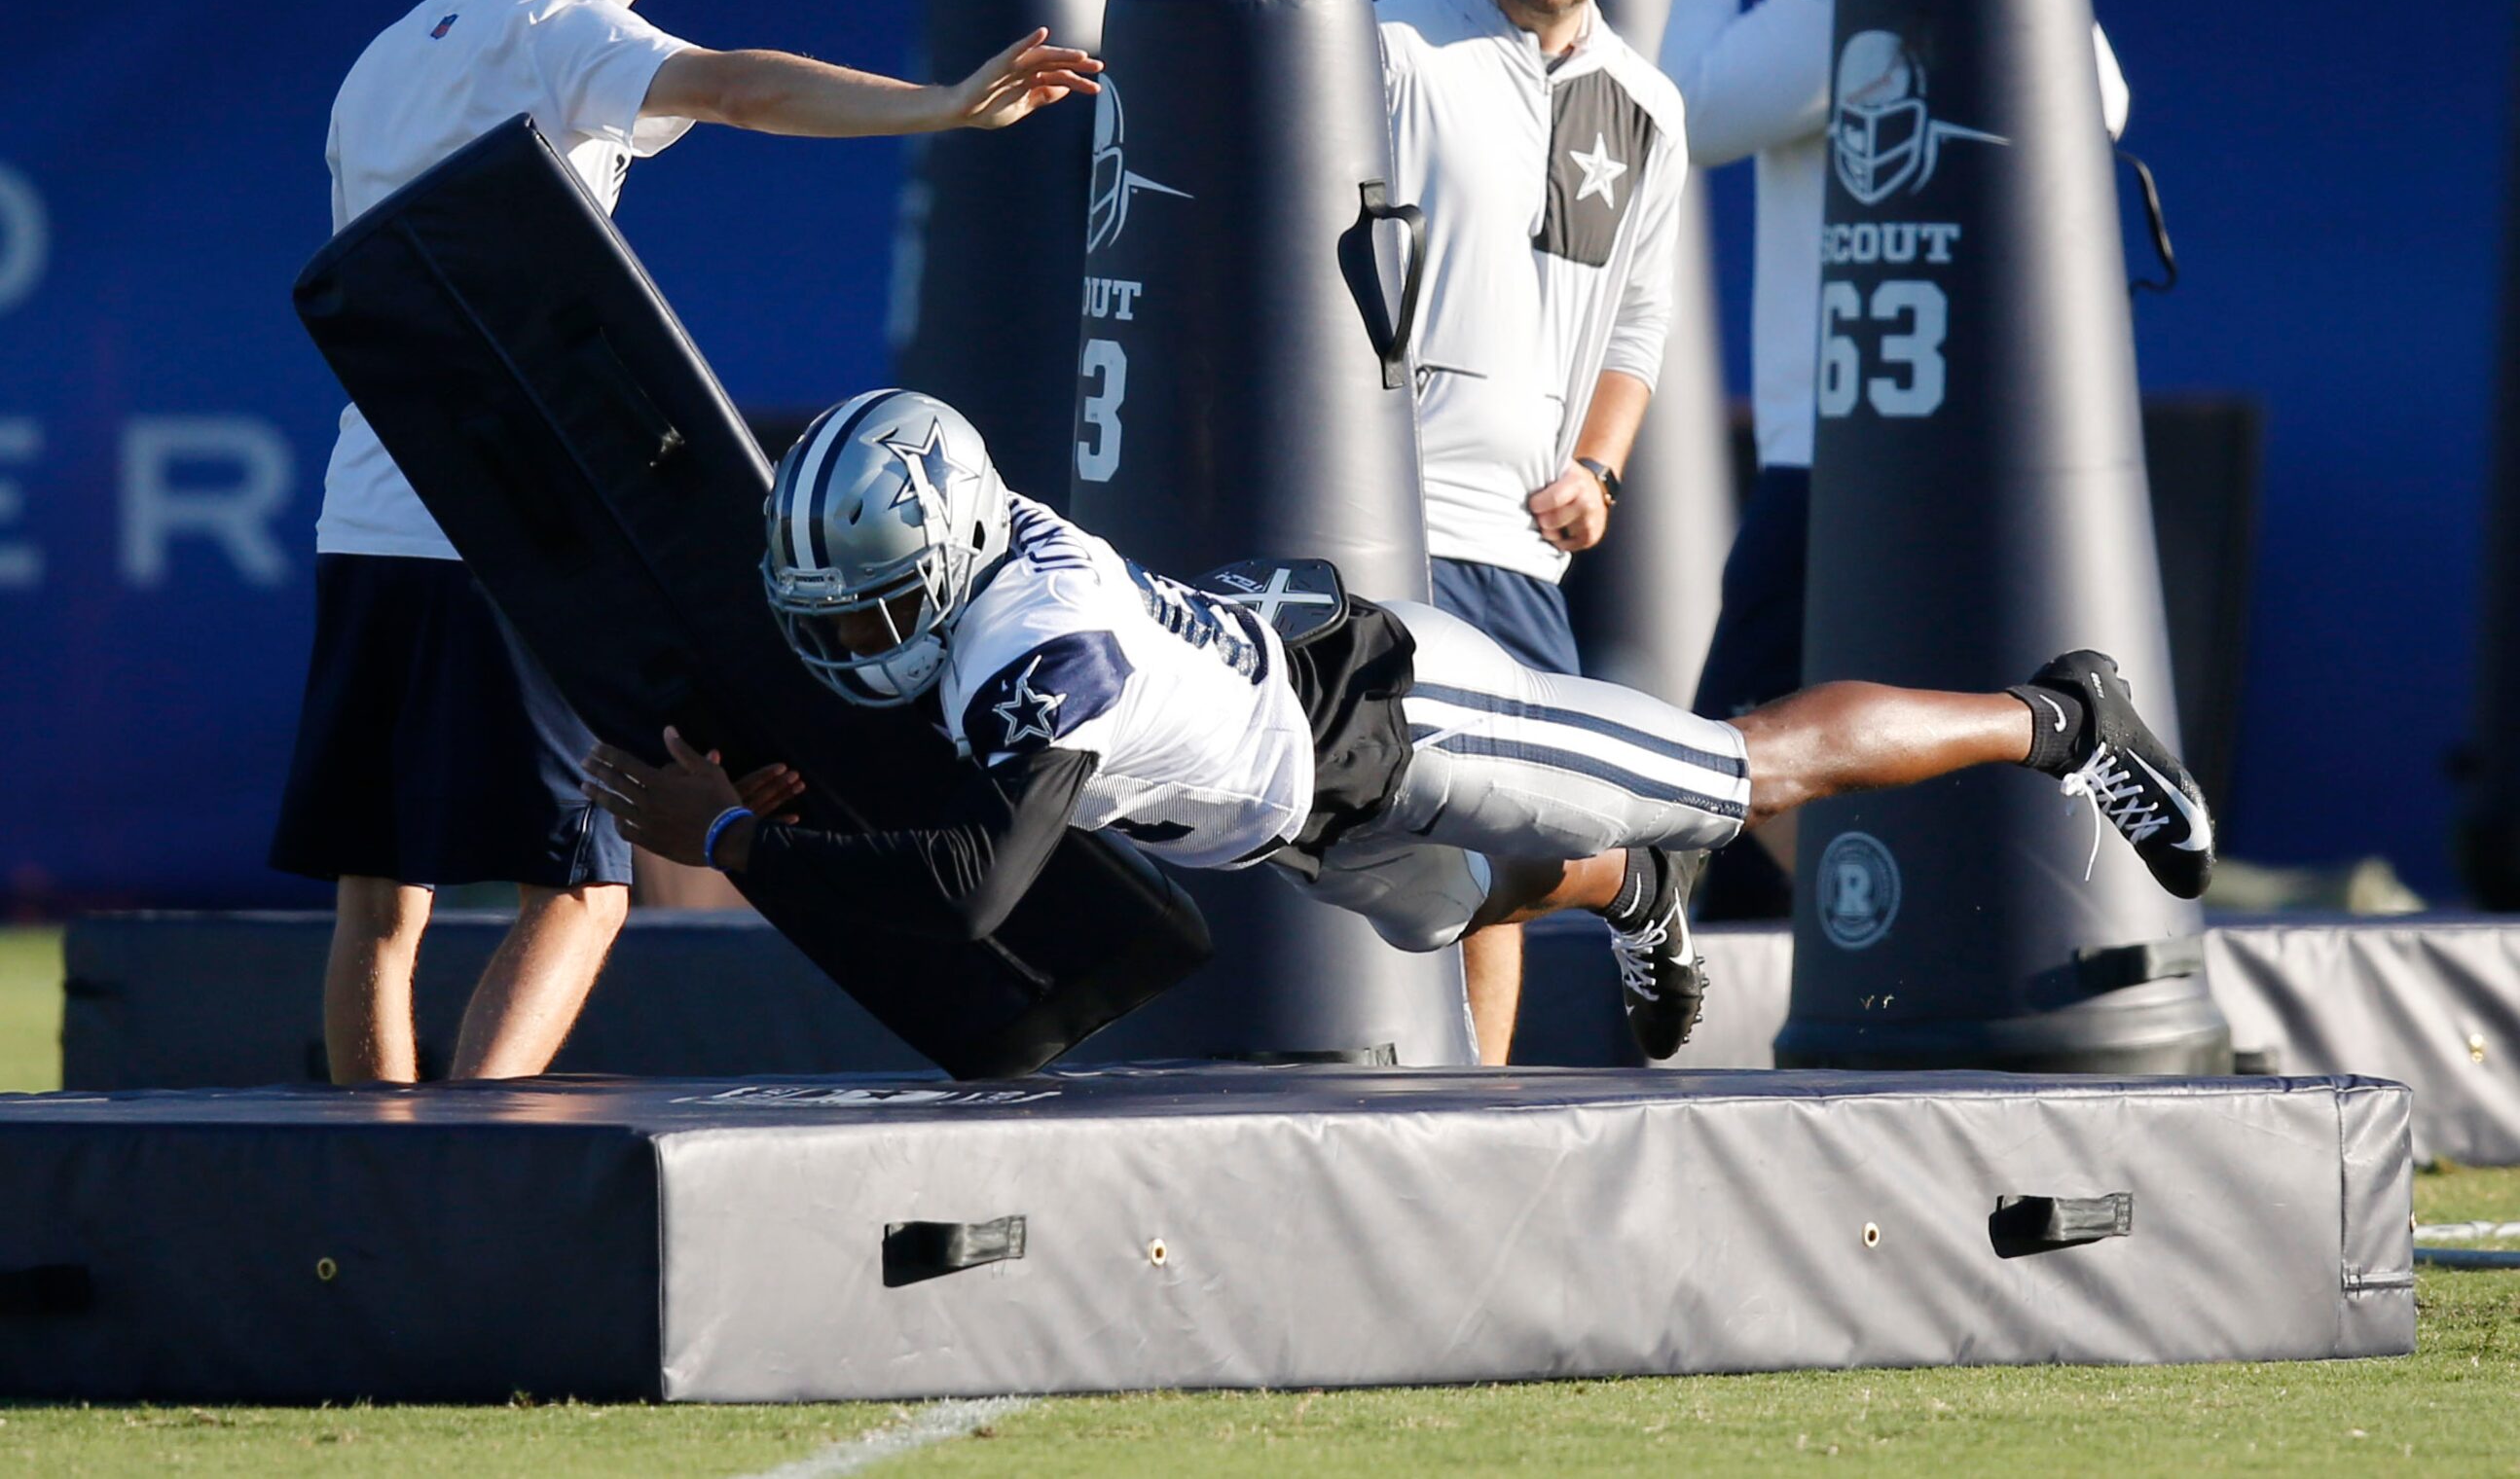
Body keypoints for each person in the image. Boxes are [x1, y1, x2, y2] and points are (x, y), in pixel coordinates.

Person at [270, 0, 1099, 1085]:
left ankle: (379, 1199)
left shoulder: (386, 56)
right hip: (517, 535)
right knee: (588, 887)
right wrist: (944, 105)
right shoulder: (559, 29)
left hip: (367, 509)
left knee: (381, 906)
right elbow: (739, 86)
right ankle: (477, 1185)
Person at [580, 389, 2213, 1064]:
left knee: (1733, 770)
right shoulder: (977, 556)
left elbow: (964, 892)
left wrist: (726, 832)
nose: (853, 645)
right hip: (1278, 800)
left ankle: (2059, 714)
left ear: (937, 563)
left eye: (867, 611)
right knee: (1459, 898)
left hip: (1389, 711)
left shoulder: (1035, 647)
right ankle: (1623, 897)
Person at [1657, 0, 2131, 913]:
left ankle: (1876, 941)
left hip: (1839, 437)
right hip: (2000, 447)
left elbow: (1687, 118)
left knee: (1724, 751)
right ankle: (1896, 942)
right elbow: (2105, 114)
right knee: (1941, 722)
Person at [1373, 0, 1691, 1063]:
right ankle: (1627, 889)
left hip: (1517, 539)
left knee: (1503, 830)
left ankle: (1474, 1092)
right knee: (1375, 826)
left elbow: (1637, 324)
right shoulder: (1392, 49)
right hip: (1380, 507)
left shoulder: (1645, 105)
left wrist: (1596, 468)